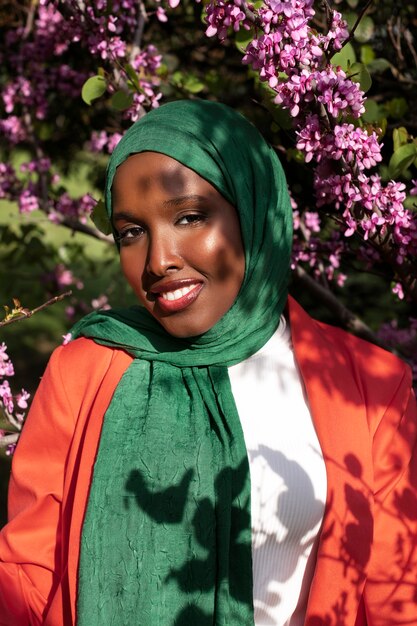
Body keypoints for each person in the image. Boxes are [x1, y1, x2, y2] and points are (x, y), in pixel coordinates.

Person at [0, 99, 416, 626]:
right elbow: (25, 577)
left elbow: (396, 597)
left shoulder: (371, 387)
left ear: (252, 209)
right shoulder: (85, 371)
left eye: (190, 217)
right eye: (131, 232)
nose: (158, 261)